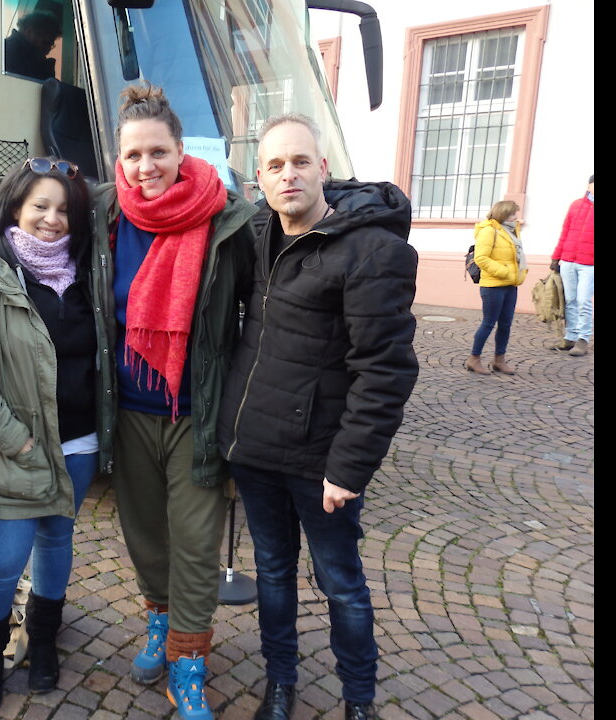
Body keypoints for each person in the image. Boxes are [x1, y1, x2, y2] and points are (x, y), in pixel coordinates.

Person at [217, 113, 419, 720]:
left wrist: (349, 469)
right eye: (275, 166)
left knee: (340, 584)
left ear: (323, 169)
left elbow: (384, 372)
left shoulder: (372, 251)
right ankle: (280, 685)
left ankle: (359, 699)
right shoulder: (255, 235)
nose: (289, 175)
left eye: (300, 162)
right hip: (255, 450)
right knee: (273, 576)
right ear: (260, 177)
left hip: (321, 462)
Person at [96, 83, 256, 720]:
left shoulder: (226, 217)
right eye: (133, 155)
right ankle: (159, 623)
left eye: (157, 152)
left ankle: (189, 661)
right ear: (119, 159)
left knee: (194, 541)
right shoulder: (104, 213)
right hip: (129, 406)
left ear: (181, 151)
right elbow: (34, 241)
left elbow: (266, 297)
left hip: (197, 410)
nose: (145, 167)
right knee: (144, 535)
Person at [0, 156, 113, 712]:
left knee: (57, 542)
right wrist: (13, 438)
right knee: (2, 561)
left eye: (64, 209)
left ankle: (43, 641)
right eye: (40, 205)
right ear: (15, 206)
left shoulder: (90, 273)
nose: (52, 219)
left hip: (79, 443)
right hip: (16, 445)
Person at [466, 200, 528, 375]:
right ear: (504, 214)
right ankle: (474, 358)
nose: (516, 217)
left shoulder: (511, 231)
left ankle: (499, 360)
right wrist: (505, 272)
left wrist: (517, 275)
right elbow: (481, 258)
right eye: (513, 214)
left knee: (506, 324)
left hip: (510, 284)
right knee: (488, 323)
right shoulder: (488, 231)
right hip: (493, 285)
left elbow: (516, 257)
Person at [549, 175, 594, 356]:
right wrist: (556, 257)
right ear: (589, 185)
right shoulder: (576, 205)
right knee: (570, 301)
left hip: (589, 264)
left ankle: (583, 339)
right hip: (568, 260)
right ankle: (570, 337)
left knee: (584, 301)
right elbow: (565, 231)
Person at [3, 11, 61, 81]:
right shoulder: (8, 51)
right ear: (28, 31)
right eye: (45, 42)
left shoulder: (33, 58)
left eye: (51, 45)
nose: (48, 50)